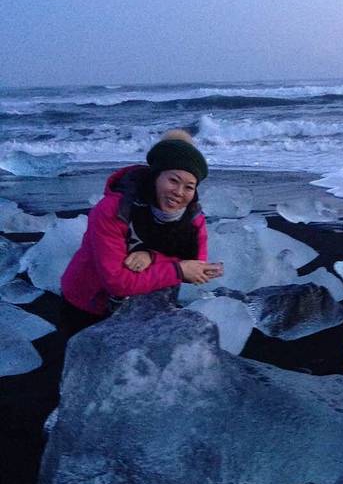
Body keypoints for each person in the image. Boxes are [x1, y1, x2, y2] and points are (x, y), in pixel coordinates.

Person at [61, 129, 223, 332]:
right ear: (156, 175)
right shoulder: (115, 210)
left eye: (189, 186)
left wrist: (151, 256)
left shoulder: (192, 217)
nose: (179, 192)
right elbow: (117, 282)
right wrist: (178, 270)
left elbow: (196, 263)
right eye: (173, 180)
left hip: (144, 305)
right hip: (90, 304)